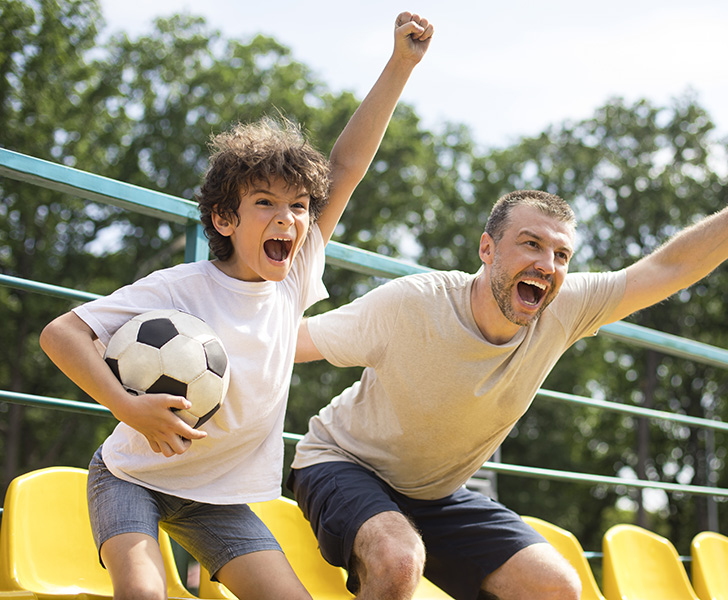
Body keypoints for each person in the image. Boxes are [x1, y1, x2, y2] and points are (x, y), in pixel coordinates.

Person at [288, 105, 728, 600]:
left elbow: (669, 268)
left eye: (561, 253)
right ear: (487, 249)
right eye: (531, 243)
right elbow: (289, 343)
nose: (548, 264)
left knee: (557, 587)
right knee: (397, 559)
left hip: (434, 494)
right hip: (342, 463)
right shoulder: (413, 304)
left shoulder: (564, 306)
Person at [39, 12, 433, 600]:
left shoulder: (294, 275)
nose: (288, 218)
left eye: (299, 206)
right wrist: (128, 407)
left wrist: (401, 63)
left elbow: (346, 167)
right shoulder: (180, 286)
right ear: (224, 219)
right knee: (144, 594)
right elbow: (61, 333)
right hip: (132, 479)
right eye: (266, 203)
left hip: (214, 498)